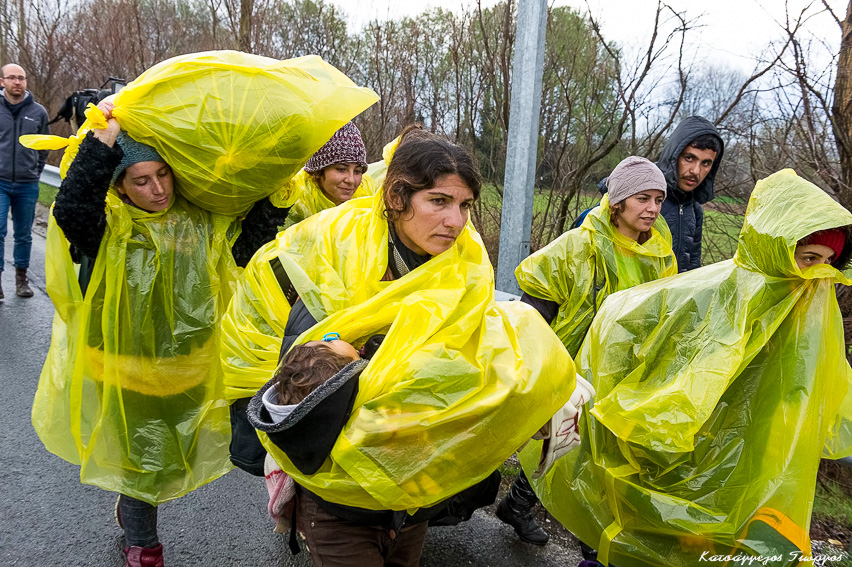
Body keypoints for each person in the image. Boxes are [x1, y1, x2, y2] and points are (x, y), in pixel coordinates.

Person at [224, 127, 584, 567]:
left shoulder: (463, 267)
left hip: (413, 490)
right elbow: (301, 375)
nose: (456, 221)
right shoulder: (340, 259)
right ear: (397, 197)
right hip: (338, 500)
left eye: (465, 205)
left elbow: (472, 351)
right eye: (439, 201)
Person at [526, 169, 852, 567]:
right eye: (809, 259)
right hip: (680, 461)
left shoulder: (811, 310)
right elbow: (639, 333)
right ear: (775, 250)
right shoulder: (720, 296)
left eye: (829, 262)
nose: (819, 273)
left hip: (748, 471)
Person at [31, 103, 289, 567]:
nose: (158, 189)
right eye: (141, 180)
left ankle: (133, 509)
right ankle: (143, 545)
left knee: (169, 458)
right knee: (143, 461)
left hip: (187, 368)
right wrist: (103, 138)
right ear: (119, 185)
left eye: (163, 174)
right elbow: (71, 207)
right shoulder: (108, 227)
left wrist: (277, 192)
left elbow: (247, 245)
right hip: (122, 369)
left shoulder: (199, 219)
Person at [497, 156, 677, 545]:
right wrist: (539, 364)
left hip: (623, 370)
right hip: (571, 363)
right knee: (564, 441)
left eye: (659, 200)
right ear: (618, 202)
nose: (652, 209)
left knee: (589, 451)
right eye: (643, 198)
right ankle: (580, 536)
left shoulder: (660, 254)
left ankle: (527, 508)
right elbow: (534, 309)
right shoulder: (579, 245)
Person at [0, 63, 49, 299]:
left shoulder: (38, 112)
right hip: (0, 182)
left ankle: (22, 279)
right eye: (12, 77)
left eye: (21, 78)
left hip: (27, 184)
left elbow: (44, 147)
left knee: (23, 234)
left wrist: (34, 172)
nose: (17, 82)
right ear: (2, 82)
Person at [655, 115, 724, 272]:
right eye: (689, 158)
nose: (696, 171)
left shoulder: (694, 209)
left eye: (706, 163)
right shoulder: (642, 194)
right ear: (674, 156)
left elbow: (693, 269)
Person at [283, 121, 377, 227]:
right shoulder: (294, 201)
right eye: (341, 169)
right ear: (318, 171)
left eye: (357, 171)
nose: (351, 180)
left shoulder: (366, 197)